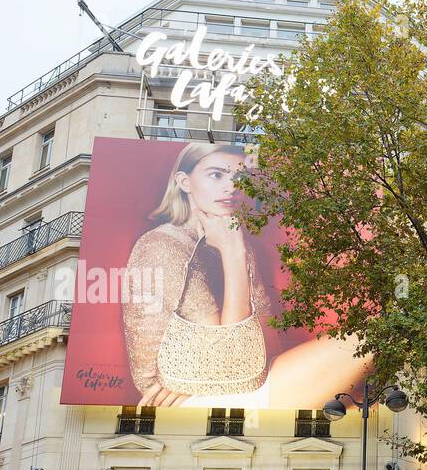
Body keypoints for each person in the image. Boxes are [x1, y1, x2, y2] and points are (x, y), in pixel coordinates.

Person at [122, 142, 367, 410]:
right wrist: (233, 251)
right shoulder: (164, 245)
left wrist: (235, 249)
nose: (232, 187)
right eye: (216, 175)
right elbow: (231, 358)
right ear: (184, 182)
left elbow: (268, 344)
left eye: (239, 178)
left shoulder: (238, 242)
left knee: (362, 400)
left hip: (248, 378)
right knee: (369, 342)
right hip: (191, 398)